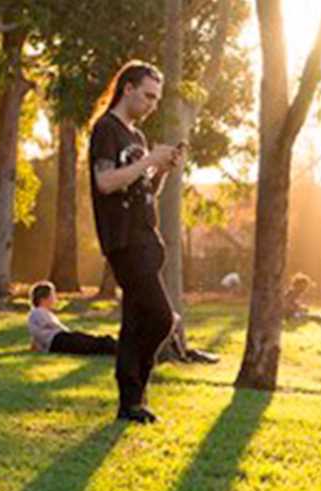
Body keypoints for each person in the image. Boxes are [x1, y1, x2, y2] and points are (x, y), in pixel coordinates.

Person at [89, 61, 181, 424]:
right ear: (127, 88)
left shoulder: (137, 137)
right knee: (161, 318)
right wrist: (147, 164)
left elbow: (143, 191)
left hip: (147, 236)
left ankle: (130, 403)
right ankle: (134, 387)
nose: (152, 104)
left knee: (134, 323)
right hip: (123, 239)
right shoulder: (106, 130)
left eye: (156, 99)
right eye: (147, 95)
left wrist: (159, 170)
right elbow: (106, 182)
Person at [27, 282, 117, 356]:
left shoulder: (39, 313)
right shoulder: (38, 312)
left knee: (90, 342)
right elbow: (52, 327)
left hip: (60, 340)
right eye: (52, 295)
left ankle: (114, 345)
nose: (55, 298)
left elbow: (37, 335)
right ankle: (115, 347)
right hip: (59, 340)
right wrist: (69, 333)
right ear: (43, 299)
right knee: (90, 344)